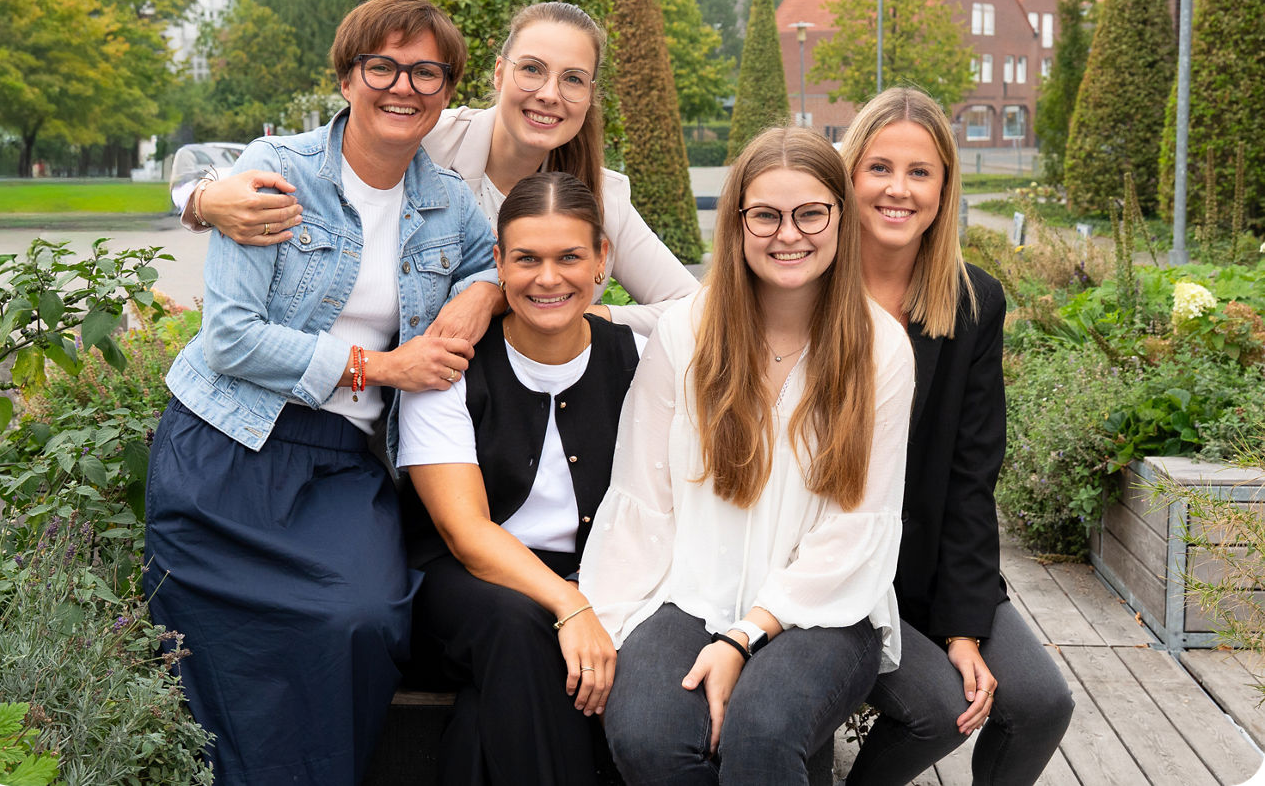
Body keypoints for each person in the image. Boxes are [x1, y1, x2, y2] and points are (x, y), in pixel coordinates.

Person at [143, 0, 502, 786]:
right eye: (383, 66)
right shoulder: (275, 173)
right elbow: (231, 340)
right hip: (225, 447)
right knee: (218, 639)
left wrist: (482, 292)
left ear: (446, 96)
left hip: (339, 460)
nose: (403, 87)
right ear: (347, 78)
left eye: (426, 72)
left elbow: (498, 259)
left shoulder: (449, 203)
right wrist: (378, 368)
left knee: (365, 616)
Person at [579, 126, 915, 786]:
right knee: (648, 736)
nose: (788, 234)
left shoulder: (880, 350)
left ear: (840, 219)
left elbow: (858, 529)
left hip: (822, 608)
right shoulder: (687, 333)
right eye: (765, 214)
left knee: (761, 736)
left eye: (810, 212)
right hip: (686, 590)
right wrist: (610, 628)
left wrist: (745, 636)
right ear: (737, 223)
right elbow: (642, 499)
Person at [180, 1, 698, 337]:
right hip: (414, 401)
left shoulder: (601, 195)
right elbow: (310, 162)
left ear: (589, 96)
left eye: (573, 79)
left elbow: (690, 307)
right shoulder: (425, 132)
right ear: (499, 73)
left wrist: (575, 313)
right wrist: (204, 198)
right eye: (533, 69)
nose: (548, 94)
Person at [839, 87, 1073, 786]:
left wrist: (964, 630)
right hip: (836, 571)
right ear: (849, 175)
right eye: (879, 168)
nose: (898, 190)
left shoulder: (973, 302)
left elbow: (973, 478)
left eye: (920, 172)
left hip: (932, 563)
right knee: (937, 708)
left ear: (944, 186)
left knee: (1039, 703)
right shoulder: (809, 290)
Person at [396, 171, 642, 785]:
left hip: (595, 573)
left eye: (570, 257)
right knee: (517, 623)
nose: (548, 278)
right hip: (461, 584)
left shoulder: (635, 356)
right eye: (527, 258)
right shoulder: (449, 365)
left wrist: (588, 595)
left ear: (601, 260)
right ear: (499, 264)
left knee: (495, 702)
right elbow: (465, 534)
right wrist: (568, 603)